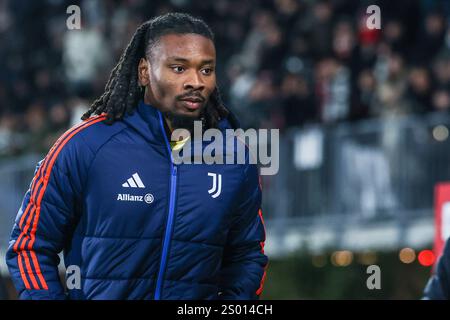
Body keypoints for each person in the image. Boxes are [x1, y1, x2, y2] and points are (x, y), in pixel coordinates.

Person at [5, 13, 268, 300]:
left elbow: (247, 255)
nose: (196, 81)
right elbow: (29, 245)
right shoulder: (85, 146)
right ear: (144, 71)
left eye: (206, 70)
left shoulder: (232, 157)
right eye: (179, 68)